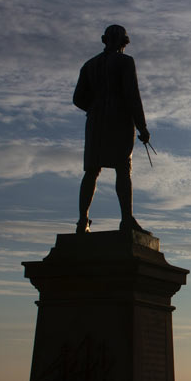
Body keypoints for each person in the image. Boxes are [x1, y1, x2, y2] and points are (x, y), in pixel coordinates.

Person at [73, 24, 151, 235]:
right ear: (123, 43)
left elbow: (78, 98)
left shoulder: (89, 65)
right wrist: (141, 126)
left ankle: (82, 220)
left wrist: (95, 107)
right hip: (119, 119)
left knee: (91, 170)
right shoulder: (125, 62)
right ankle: (126, 219)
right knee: (123, 169)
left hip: (95, 120)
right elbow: (132, 95)